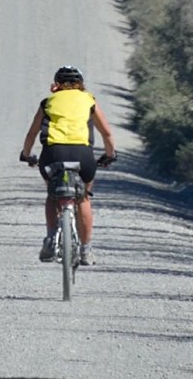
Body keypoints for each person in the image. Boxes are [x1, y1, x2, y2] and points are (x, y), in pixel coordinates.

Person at [20, 65, 116, 266]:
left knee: (52, 195)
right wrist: (109, 155)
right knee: (83, 199)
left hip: (53, 153)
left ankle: (49, 239)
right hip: (83, 155)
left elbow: (32, 134)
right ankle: (86, 250)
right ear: (80, 84)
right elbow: (106, 133)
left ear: (56, 85)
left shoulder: (48, 102)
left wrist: (26, 155)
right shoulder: (89, 100)